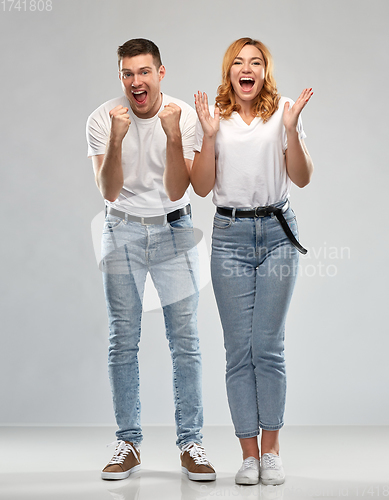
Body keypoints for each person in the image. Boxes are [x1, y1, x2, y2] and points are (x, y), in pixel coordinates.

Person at [86, 38, 216, 482]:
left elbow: (181, 189)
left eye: (144, 72)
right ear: (121, 77)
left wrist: (175, 134)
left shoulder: (181, 116)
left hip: (175, 229)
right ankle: (128, 442)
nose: (136, 82)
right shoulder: (103, 119)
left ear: (161, 73)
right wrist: (118, 140)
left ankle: (191, 443)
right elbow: (107, 189)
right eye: (128, 73)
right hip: (120, 229)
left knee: (186, 340)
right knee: (123, 339)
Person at [191, 37, 314, 486]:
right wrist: (206, 137)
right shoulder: (214, 119)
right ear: (229, 72)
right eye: (239, 63)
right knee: (238, 350)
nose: (247, 69)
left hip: (278, 234)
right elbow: (202, 188)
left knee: (269, 346)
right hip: (230, 238)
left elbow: (300, 177)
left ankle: (272, 450)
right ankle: (247, 454)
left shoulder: (282, 111)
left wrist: (293, 129)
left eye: (256, 62)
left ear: (265, 70)